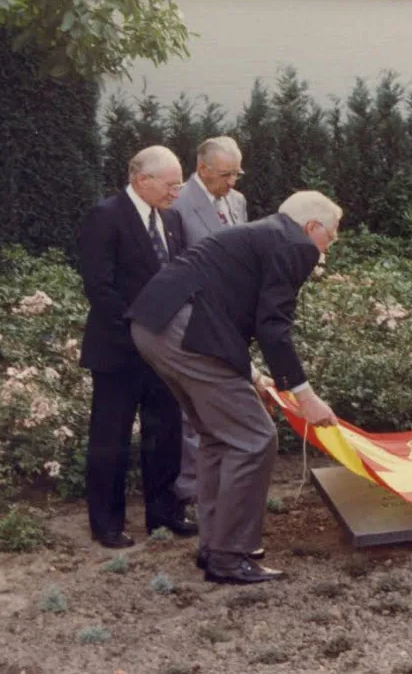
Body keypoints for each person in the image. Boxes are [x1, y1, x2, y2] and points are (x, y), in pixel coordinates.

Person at [128, 191, 341, 584]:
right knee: (255, 439)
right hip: (188, 330)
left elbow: (232, 310)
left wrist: (256, 377)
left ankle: (215, 547)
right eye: (332, 235)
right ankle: (230, 556)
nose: (330, 246)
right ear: (312, 227)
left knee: (217, 438)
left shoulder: (264, 236)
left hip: (154, 325)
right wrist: (305, 398)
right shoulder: (295, 244)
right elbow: (273, 327)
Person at [78, 145, 195, 549]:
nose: (176, 192)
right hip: (118, 350)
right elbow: (99, 286)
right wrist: (138, 331)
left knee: (165, 435)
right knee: (110, 438)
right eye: (171, 184)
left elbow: (180, 278)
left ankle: (164, 515)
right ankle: (106, 524)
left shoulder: (173, 219)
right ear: (141, 180)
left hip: (164, 351)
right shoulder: (106, 217)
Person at [170, 137, 250, 508]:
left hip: (230, 315)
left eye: (237, 173)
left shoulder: (237, 201)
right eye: (225, 174)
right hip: (195, 316)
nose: (232, 182)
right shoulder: (179, 204)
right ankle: (190, 487)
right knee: (194, 407)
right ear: (202, 169)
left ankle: (219, 480)